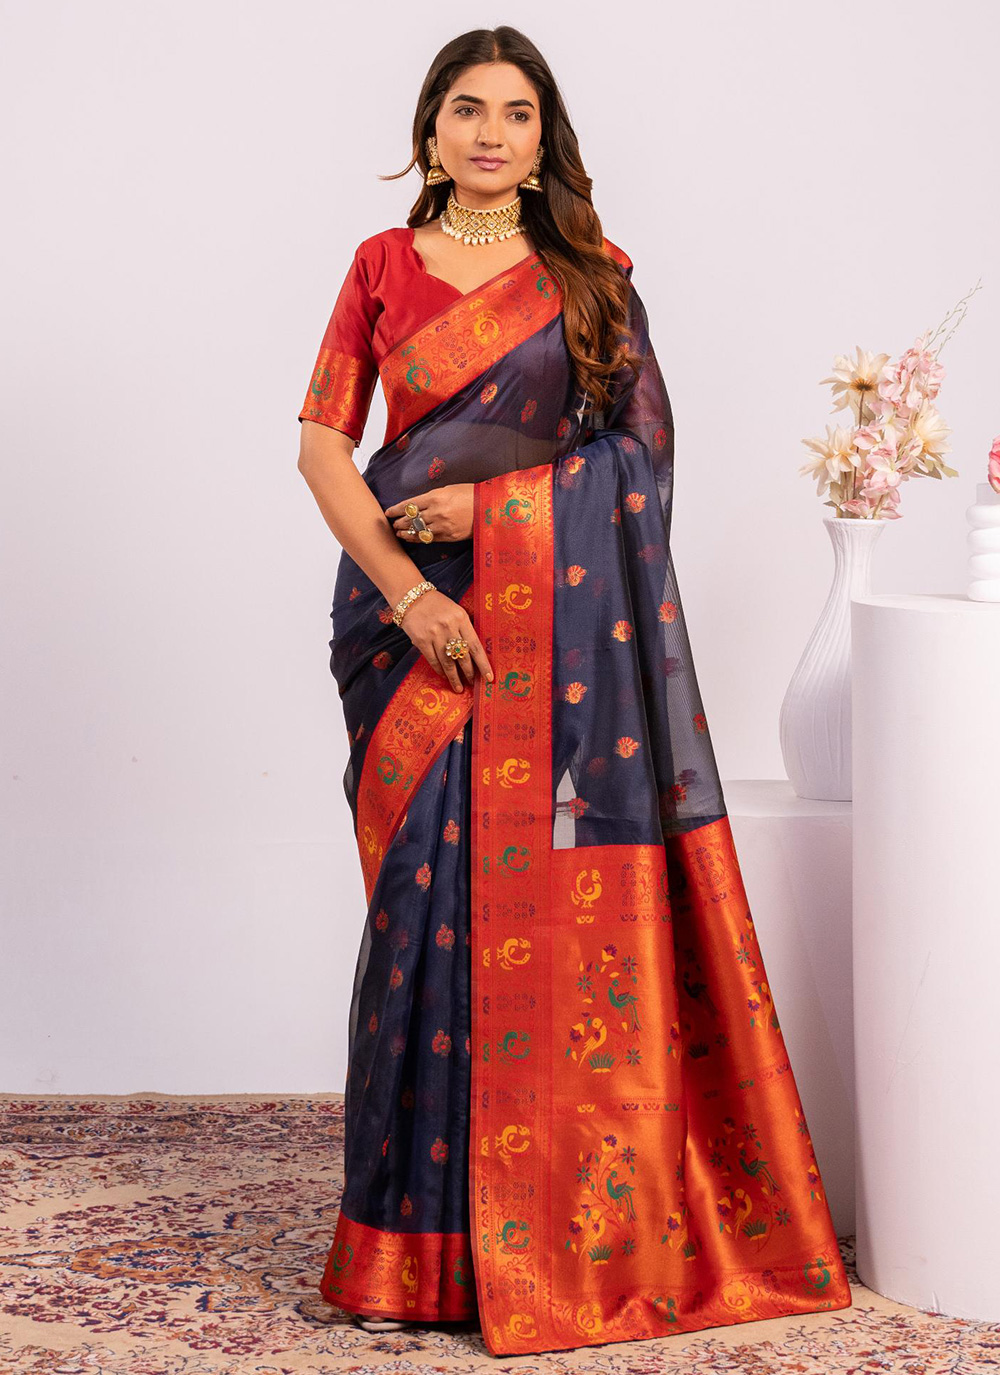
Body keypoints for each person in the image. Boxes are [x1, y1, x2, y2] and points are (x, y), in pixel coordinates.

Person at [296, 25, 852, 1360]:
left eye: (517, 113)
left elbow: (642, 464)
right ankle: (414, 1253)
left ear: (546, 141)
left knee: (526, 918)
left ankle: (549, 1231)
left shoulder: (592, 278)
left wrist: (492, 513)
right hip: (406, 628)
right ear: (430, 130)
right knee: (420, 917)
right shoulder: (377, 267)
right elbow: (322, 446)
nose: (491, 133)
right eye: (467, 109)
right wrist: (414, 594)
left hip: (548, 635)